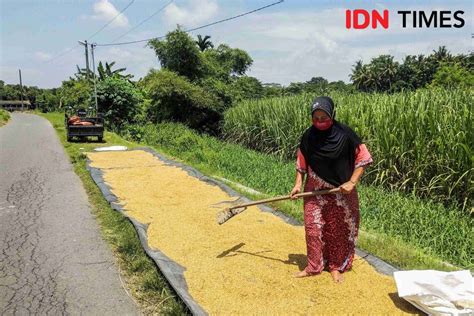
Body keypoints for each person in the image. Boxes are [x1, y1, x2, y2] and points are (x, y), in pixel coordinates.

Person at [290, 96, 373, 283]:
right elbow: (301, 163)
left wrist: (352, 182)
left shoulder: (346, 134)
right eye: (316, 118)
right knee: (313, 228)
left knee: (337, 231)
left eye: (324, 118)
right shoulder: (308, 137)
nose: (319, 122)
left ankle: (336, 266)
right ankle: (313, 266)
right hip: (314, 190)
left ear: (332, 114)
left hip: (340, 192)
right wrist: (297, 185)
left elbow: (364, 158)